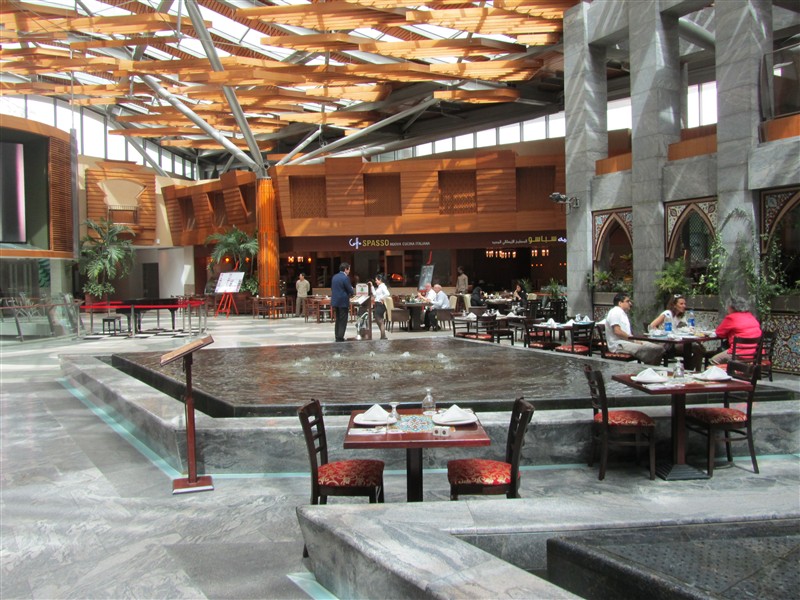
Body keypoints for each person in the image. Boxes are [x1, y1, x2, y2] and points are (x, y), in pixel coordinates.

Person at [604, 293, 665, 365]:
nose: (630, 303)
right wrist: (633, 340)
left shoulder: (622, 313)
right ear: (620, 303)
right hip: (618, 344)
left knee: (659, 348)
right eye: (627, 301)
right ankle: (649, 368)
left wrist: (634, 340)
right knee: (649, 350)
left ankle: (651, 368)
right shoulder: (615, 312)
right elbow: (617, 331)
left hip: (629, 341)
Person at [650, 293, 705, 370]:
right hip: (668, 343)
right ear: (674, 305)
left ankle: (692, 369)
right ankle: (689, 369)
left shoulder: (680, 316)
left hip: (677, 341)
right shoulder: (667, 314)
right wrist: (661, 333)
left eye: (684, 304)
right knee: (693, 347)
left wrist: (693, 331)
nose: (684, 306)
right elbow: (652, 325)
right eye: (681, 304)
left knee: (699, 348)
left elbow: (687, 328)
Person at [710, 295, 762, 365]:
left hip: (738, 353)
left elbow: (719, 333)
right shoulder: (751, 316)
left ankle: (724, 371)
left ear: (731, 307)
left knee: (714, 360)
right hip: (754, 354)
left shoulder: (731, 318)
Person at [331, 262, 354, 342]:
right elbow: (349, 289)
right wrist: (352, 290)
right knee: (343, 319)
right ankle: (340, 336)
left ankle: (337, 335)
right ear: (345, 269)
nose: (349, 271)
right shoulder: (345, 278)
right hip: (343, 301)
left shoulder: (334, 277)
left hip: (335, 301)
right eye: (349, 269)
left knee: (338, 319)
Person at [371, 274, 390, 340]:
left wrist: (382, 298)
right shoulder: (379, 287)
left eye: (376, 280)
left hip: (380, 305)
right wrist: (372, 286)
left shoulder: (383, 286)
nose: (375, 281)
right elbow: (375, 294)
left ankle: (383, 336)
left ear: (380, 280)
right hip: (377, 304)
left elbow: (387, 293)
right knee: (377, 319)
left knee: (379, 320)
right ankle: (383, 335)